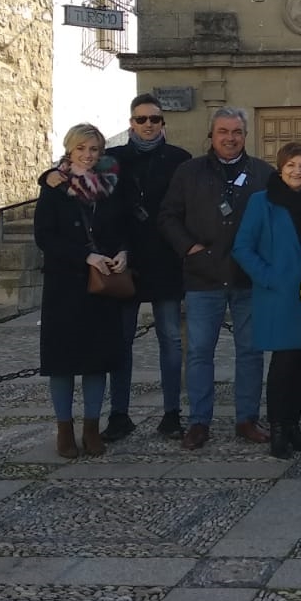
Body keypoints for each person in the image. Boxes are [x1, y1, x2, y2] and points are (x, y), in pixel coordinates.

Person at [157, 107, 273, 451]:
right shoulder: (189, 172)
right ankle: (199, 422)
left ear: (245, 135)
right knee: (199, 353)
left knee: (250, 352)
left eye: (236, 132)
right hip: (203, 277)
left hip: (247, 277)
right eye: (223, 131)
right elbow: (168, 217)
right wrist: (189, 248)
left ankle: (247, 418)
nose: (230, 138)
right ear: (212, 134)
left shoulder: (263, 174)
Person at [34, 124, 131, 459]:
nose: (87, 155)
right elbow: (45, 236)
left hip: (100, 286)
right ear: (70, 150)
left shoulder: (110, 186)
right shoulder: (55, 186)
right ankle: (64, 429)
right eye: (81, 149)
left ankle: (91, 427)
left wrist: (123, 252)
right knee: (62, 362)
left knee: (96, 361)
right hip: (64, 286)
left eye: (93, 149)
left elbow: (122, 227)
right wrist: (84, 256)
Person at [233, 141, 301, 458]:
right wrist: (269, 277)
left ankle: (293, 426)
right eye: (291, 165)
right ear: (280, 168)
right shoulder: (261, 202)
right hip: (277, 295)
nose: (297, 171)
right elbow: (242, 248)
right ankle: (278, 429)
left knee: (300, 365)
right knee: (282, 363)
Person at [102, 94, 191, 439]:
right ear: (131, 123)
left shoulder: (180, 159)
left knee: (170, 340)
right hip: (125, 260)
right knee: (121, 341)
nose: (148, 124)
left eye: (154, 119)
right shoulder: (113, 159)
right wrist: (50, 175)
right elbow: (79, 174)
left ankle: (171, 414)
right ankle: (119, 414)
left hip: (165, 260)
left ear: (162, 122)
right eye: (141, 119)